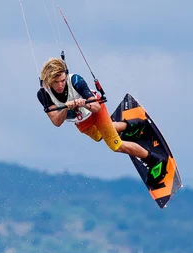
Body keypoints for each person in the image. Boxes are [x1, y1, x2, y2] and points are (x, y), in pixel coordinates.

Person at [37, 57, 166, 187]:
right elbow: (56, 121)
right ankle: (133, 126)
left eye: (63, 80)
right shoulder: (44, 94)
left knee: (116, 145)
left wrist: (85, 104)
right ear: (48, 81)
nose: (60, 85)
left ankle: (155, 160)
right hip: (81, 120)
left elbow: (97, 107)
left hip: (95, 112)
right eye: (56, 82)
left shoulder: (76, 81)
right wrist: (65, 108)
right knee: (99, 136)